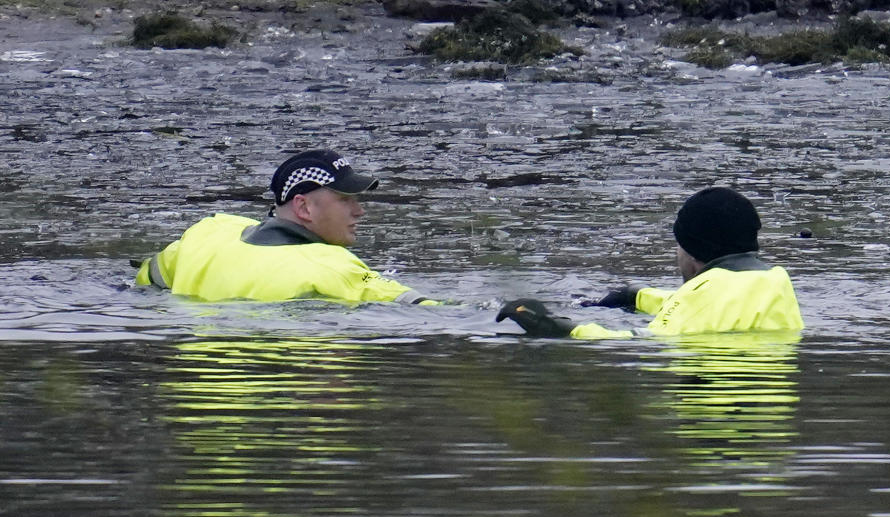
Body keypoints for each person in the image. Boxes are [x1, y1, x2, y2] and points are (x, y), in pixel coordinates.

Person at [134, 149, 437, 305]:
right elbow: (422, 309)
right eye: (345, 200)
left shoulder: (210, 233)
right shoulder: (332, 267)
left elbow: (149, 278)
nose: (360, 211)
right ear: (304, 207)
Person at [496, 186, 804, 338]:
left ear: (693, 251)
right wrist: (639, 295)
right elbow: (712, 307)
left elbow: (638, 341)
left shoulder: (702, 297)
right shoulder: (775, 280)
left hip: (711, 394)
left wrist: (557, 327)